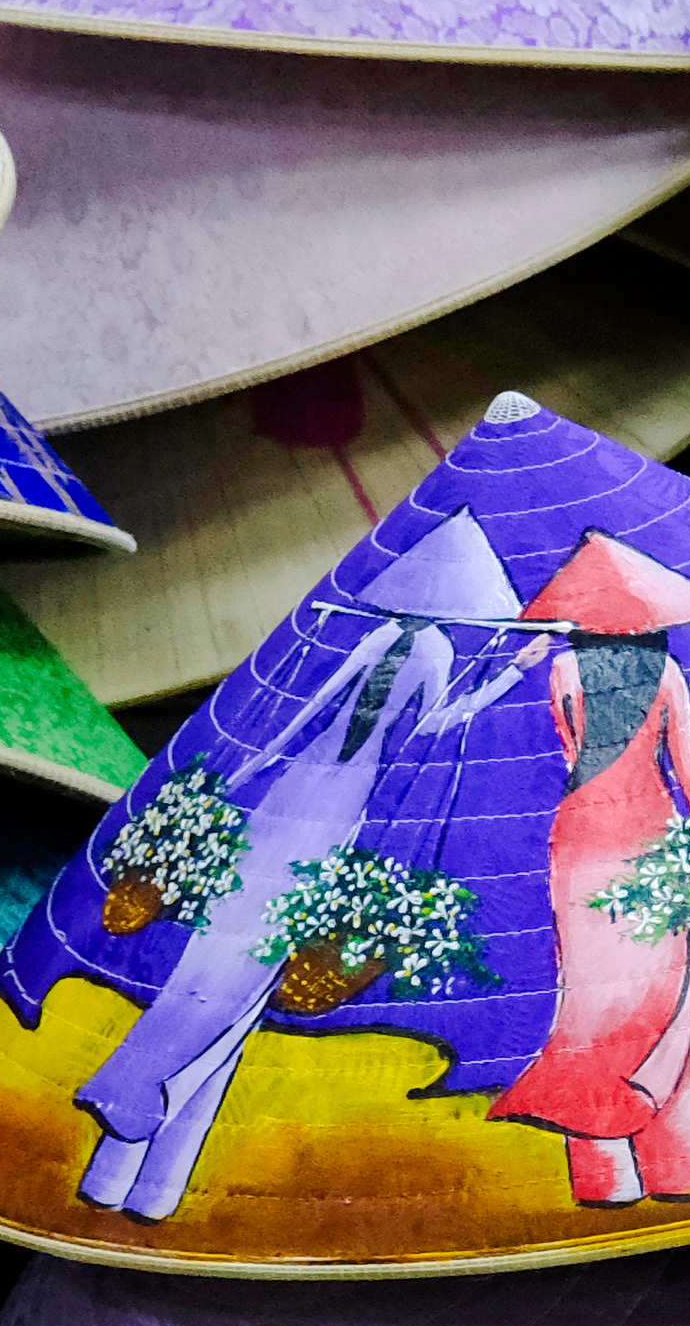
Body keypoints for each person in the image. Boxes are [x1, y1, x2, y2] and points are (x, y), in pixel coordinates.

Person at [78, 514, 530, 1224]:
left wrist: (237, 778)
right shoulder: (433, 648)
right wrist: (509, 675)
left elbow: (304, 720)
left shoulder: (382, 637)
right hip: (331, 811)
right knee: (236, 989)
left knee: (222, 976)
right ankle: (142, 1145)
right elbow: (430, 728)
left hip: (294, 797)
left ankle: (132, 1169)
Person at [493, 532, 690, 1210]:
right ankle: (685, 1168)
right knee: (665, 1003)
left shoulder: (564, 674)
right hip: (653, 838)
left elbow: (573, 751)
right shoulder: (667, 675)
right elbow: (689, 772)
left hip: (579, 841)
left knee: (591, 1001)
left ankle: (605, 1177)